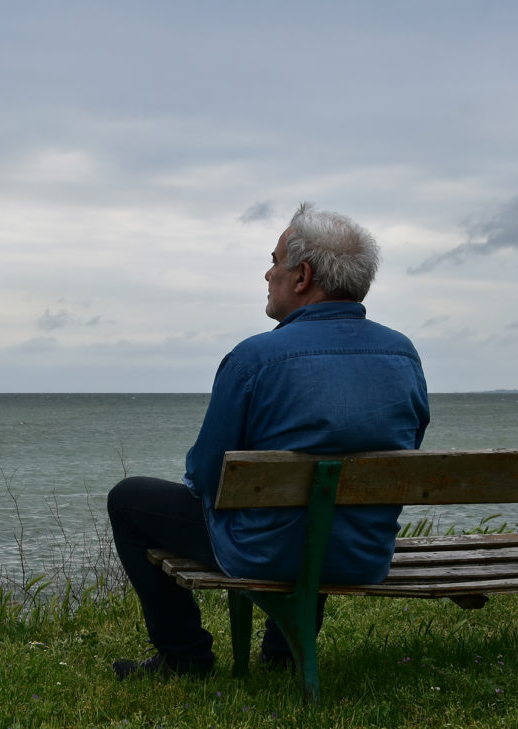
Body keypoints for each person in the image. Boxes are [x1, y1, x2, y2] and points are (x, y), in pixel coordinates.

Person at [107, 202, 431, 679]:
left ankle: (184, 656)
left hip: (268, 553)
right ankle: (282, 656)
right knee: (326, 493)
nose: (266, 273)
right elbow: (406, 450)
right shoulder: (403, 354)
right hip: (362, 554)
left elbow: (205, 476)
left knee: (129, 499)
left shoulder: (254, 359)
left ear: (301, 276)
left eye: (274, 261)